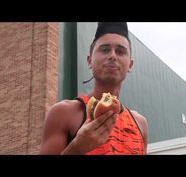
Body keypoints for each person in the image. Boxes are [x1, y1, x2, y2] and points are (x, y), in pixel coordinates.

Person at [40, 22, 148, 155]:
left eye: (120, 51)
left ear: (130, 65)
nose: (113, 56)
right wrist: (77, 148)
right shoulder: (64, 113)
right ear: (89, 60)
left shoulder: (140, 124)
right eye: (105, 49)